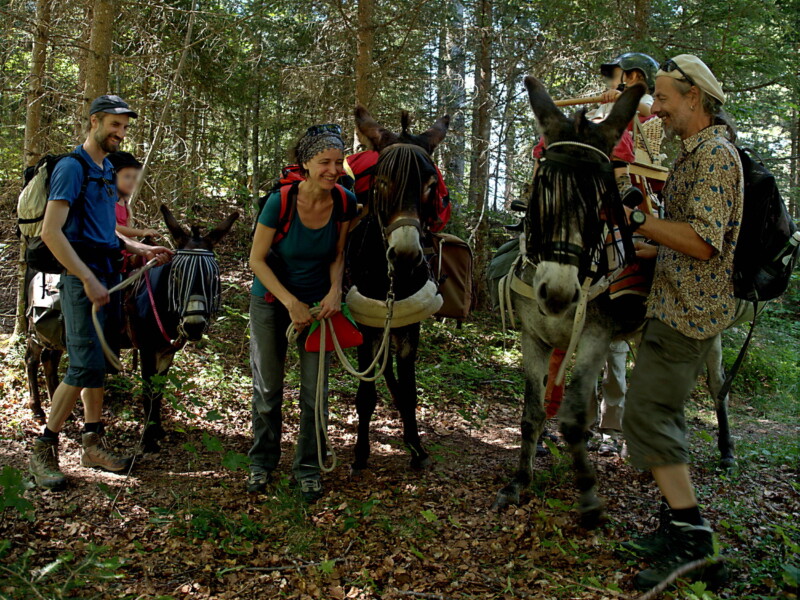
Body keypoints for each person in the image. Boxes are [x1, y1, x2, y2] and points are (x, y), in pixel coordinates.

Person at [620, 55, 742, 590]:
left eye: (665, 98)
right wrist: (652, 247)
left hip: (688, 312)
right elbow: (686, 235)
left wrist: (642, 219)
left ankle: (695, 542)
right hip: (672, 299)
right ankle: (675, 526)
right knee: (653, 414)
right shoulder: (694, 152)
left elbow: (703, 241)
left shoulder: (715, 156)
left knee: (649, 416)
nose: (659, 109)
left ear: (694, 98)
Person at [29, 95, 173, 490]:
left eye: (124, 127)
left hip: (107, 275)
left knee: (97, 366)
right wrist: (86, 278)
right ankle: (43, 449)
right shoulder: (71, 169)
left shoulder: (107, 169)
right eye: (114, 124)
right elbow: (51, 232)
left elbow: (106, 228)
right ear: (94, 122)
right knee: (83, 365)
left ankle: (92, 441)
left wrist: (142, 249)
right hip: (82, 280)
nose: (120, 133)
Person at [248, 124, 357, 502]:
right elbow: (256, 260)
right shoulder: (279, 202)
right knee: (268, 388)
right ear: (306, 164)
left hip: (318, 309)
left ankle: (308, 467)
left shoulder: (343, 201)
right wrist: (290, 302)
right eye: (324, 161)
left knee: (316, 393)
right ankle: (261, 461)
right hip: (271, 302)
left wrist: (333, 292)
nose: (333, 169)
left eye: (338, 162)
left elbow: (338, 254)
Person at [108, 151, 160, 273]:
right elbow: (114, 228)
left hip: (127, 252)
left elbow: (130, 232)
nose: (132, 182)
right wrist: (143, 232)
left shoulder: (124, 203)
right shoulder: (108, 202)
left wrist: (141, 250)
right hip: (114, 254)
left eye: (134, 177)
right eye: (127, 177)